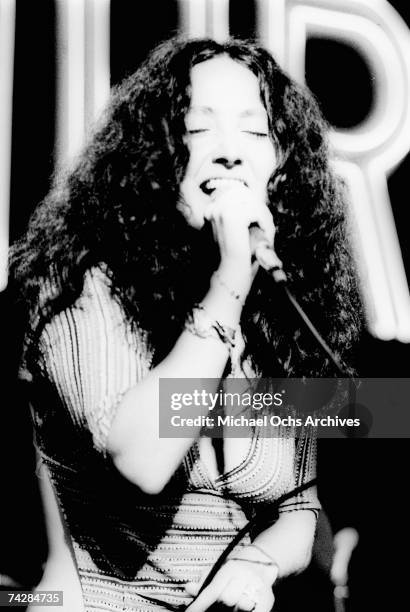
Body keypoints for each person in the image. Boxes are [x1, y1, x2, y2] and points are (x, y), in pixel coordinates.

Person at [9, 37, 362, 612]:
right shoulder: (80, 284)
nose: (230, 152)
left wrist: (259, 564)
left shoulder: (277, 312)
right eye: (200, 129)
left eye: (255, 132)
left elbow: (299, 507)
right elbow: (143, 462)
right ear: (157, 149)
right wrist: (227, 285)